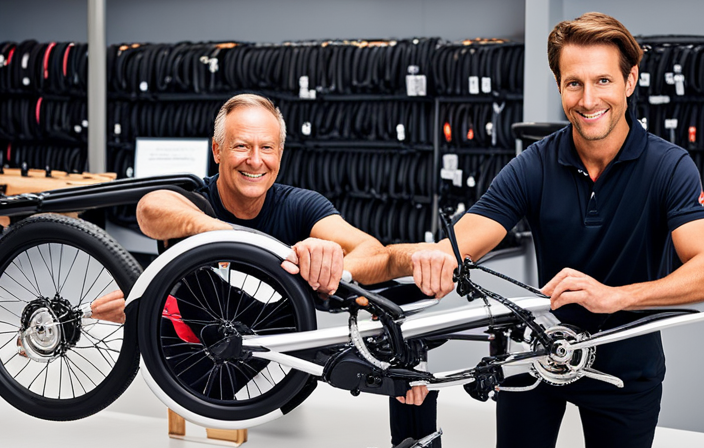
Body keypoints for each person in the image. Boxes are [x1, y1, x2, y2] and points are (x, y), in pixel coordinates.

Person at [386, 12, 704, 448]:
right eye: (574, 83)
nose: (588, 99)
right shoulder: (534, 164)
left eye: (603, 81)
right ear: (560, 86)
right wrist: (436, 257)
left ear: (630, 81)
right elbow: (464, 242)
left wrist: (618, 296)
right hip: (538, 351)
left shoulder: (670, 167)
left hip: (627, 364)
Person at [136, 93, 437, 447]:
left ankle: (417, 438)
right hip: (195, 362)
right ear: (217, 152)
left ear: (280, 154)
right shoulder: (196, 199)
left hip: (281, 352)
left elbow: (369, 250)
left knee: (406, 333)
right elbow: (150, 208)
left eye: (267, 147)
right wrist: (219, 233)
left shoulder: (300, 205)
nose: (255, 160)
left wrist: (329, 266)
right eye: (241, 146)